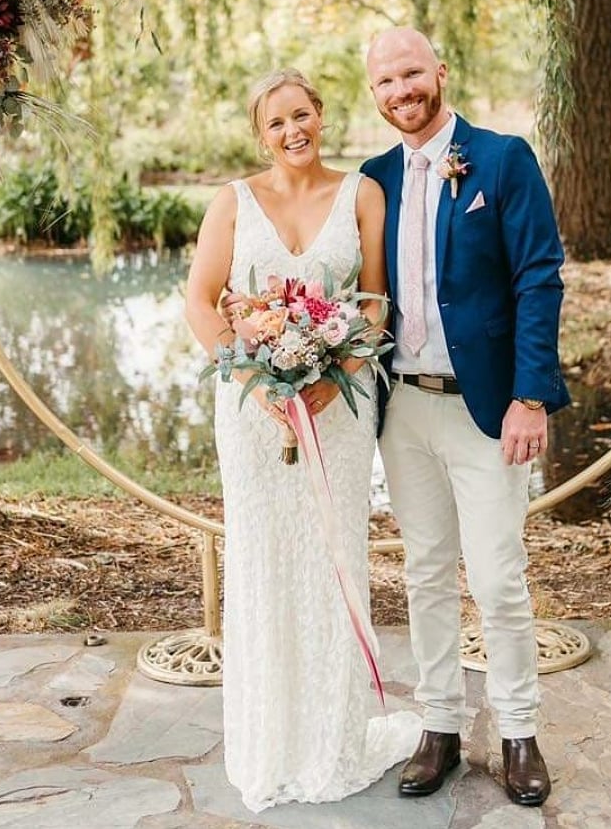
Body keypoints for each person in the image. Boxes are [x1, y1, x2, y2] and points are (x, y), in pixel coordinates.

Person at [184, 68, 420, 814]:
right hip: (253, 413)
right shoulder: (233, 202)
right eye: (278, 122)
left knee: (331, 555)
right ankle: (269, 740)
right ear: (262, 134)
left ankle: (332, 737)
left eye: (304, 115)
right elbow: (200, 299)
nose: (294, 131)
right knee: (262, 559)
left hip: (340, 407)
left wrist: (334, 372)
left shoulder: (363, 196)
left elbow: (376, 302)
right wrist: (258, 380)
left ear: (322, 115)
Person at [361, 27, 569, 808]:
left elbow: (540, 276)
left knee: (497, 577)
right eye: (385, 81)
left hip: (489, 410)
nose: (401, 90)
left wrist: (531, 394)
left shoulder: (502, 158)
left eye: (411, 73)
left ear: (439, 72)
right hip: (403, 408)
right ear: (374, 93)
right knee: (423, 575)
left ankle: (518, 731)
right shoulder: (373, 178)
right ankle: (440, 729)